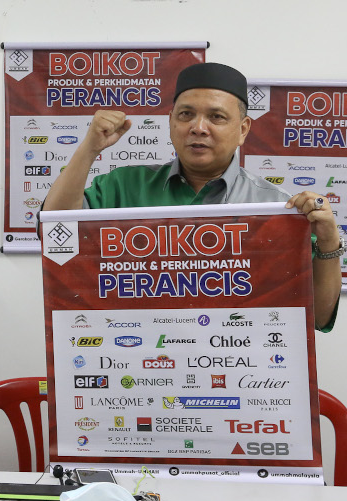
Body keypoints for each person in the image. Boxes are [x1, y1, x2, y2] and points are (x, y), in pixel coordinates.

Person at [42, 62, 341, 331]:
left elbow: (318, 317)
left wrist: (329, 241)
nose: (198, 128)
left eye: (217, 117)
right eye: (186, 115)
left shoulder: (276, 207)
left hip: (240, 370)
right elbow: (55, 233)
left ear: (243, 129)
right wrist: (89, 148)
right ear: (171, 122)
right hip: (133, 361)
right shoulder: (124, 186)